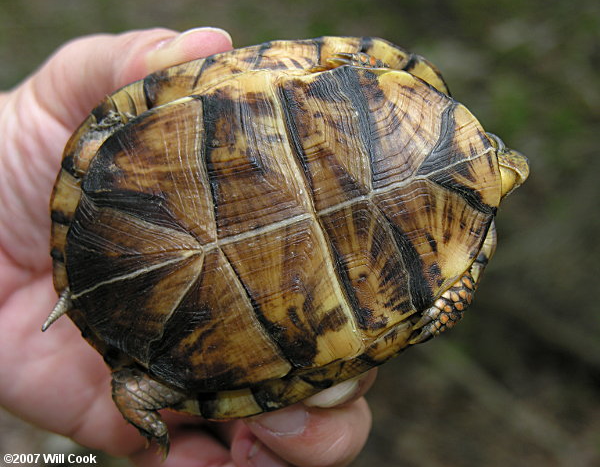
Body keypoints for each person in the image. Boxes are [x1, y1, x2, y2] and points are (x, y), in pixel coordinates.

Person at [0, 27, 376, 467]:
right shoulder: (381, 90)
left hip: (169, 336)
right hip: (165, 349)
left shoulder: (366, 80)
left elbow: (115, 131)